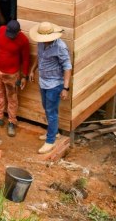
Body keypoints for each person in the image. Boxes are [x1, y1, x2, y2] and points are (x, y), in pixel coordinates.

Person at [28, 21, 72, 154]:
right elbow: (39, 57)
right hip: (43, 81)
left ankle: (50, 141)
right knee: (46, 107)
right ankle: (55, 132)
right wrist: (32, 70)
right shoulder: (41, 43)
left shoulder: (60, 47)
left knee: (51, 111)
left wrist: (65, 88)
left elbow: (67, 67)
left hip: (55, 84)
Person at [0, 19, 30, 137]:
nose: (10, 37)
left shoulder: (23, 40)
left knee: (12, 98)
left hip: (11, 75)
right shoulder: (2, 30)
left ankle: (12, 122)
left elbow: (26, 59)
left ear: (19, 31)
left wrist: (24, 76)